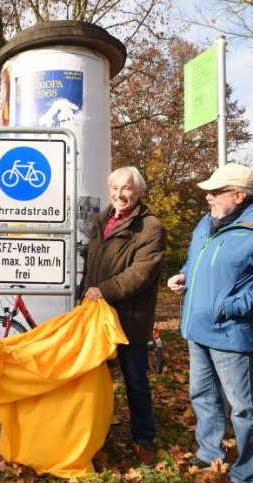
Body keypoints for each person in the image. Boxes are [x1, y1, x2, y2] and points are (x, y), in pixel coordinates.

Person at [167, 163, 253, 483]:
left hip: (232, 333)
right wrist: (184, 275)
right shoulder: (208, 221)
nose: (208, 197)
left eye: (215, 192)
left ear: (238, 195)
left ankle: (246, 475)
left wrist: (226, 307)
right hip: (197, 328)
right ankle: (209, 453)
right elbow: (196, 259)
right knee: (202, 396)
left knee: (243, 407)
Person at [80, 166, 166, 466]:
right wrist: (84, 297)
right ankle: (94, 439)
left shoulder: (150, 227)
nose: (120, 194)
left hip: (130, 319)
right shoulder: (101, 220)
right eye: (115, 188)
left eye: (126, 188)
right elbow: (90, 267)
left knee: (135, 382)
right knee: (92, 381)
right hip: (96, 318)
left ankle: (144, 440)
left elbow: (141, 274)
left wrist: (102, 290)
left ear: (139, 191)